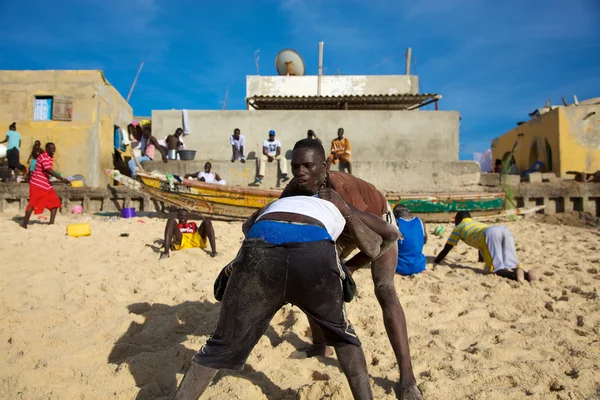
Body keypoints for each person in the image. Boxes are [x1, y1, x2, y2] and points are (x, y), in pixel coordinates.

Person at [172, 191, 381, 400]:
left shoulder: (280, 202)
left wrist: (243, 261)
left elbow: (248, 229)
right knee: (344, 336)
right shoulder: (342, 205)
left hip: (261, 248)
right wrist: (349, 268)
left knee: (220, 345)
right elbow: (378, 244)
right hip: (313, 253)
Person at [271, 139, 421, 400]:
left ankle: (407, 378)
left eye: (308, 166)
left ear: (325, 166)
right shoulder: (296, 185)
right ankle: (320, 345)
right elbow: (273, 214)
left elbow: (376, 245)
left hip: (376, 226)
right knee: (311, 276)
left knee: (385, 289)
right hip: (342, 227)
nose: (300, 172)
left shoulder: (343, 189)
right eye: (296, 166)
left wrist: (349, 266)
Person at [434, 211, 537, 282]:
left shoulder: (458, 228)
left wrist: (436, 261)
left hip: (489, 234)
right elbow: (482, 246)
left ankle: (514, 276)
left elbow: (447, 248)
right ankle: (527, 274)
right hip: (503, 230)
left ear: (458, 220)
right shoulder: (476, 224)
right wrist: (480, 260)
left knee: (496, 268)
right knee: (510, 263)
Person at [22, 143, 70, 229]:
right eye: (51, 149)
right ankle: (24, 224)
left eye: (54, 149)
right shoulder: (43, 156)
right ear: (47, 149)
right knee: (33, 203)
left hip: (45, 184)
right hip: (37, 184)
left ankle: (51, 223)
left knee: (55, 202)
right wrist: (61, 179)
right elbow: (48, 170)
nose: (53, 150)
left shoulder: (50, 157)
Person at [394, 204, 427, 276]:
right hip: (420, 266)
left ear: (395, 214)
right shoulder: (420, 221)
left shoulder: (396, 223)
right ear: (408, 211)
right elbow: (424, 241)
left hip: (400, 267)